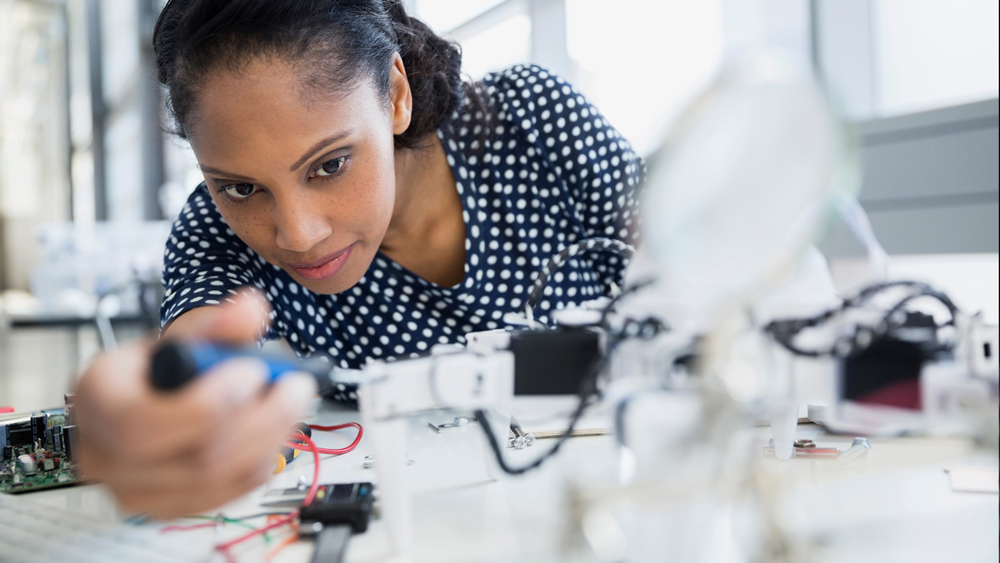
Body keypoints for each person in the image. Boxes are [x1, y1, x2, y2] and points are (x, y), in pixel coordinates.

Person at [73, 0, 644, 518]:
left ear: (395, 95)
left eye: (330, 165)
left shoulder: (531, 120)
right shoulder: (215, 229)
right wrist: (157, 414)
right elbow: (195, 356)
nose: (299, 235)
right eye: (241, 188)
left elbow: (687, 269)